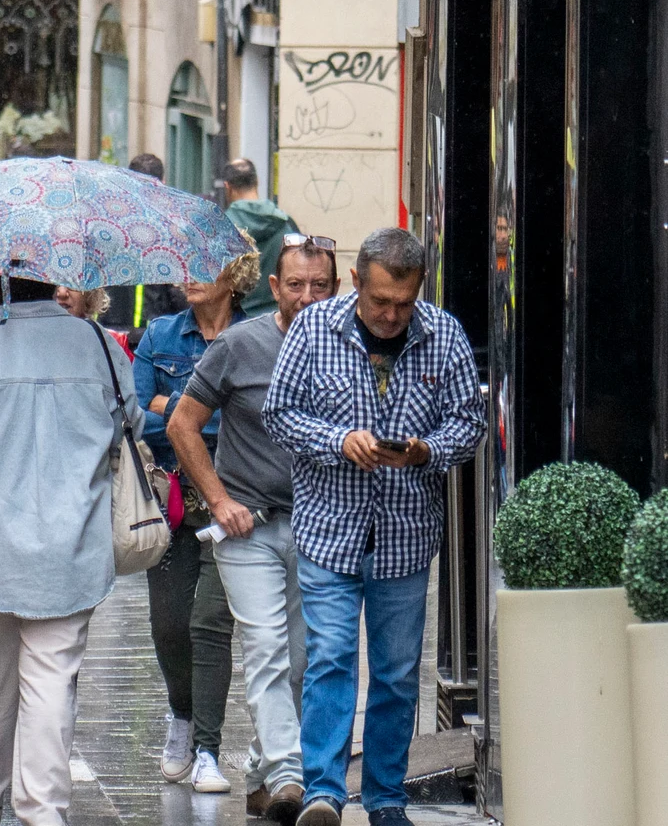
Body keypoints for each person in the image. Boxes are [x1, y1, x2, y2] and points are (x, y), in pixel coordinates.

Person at [263, 228, 485, 826]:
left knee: (394, 672)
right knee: (332, 658)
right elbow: (279, 414)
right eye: (380, 301)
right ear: (357, 281)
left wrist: (423, 450)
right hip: (328, 531)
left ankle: (387, 798)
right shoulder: (313, 329)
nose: (390, 315)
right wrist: (339, 441)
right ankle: (325, 793)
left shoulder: (445, 336)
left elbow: (469, 424)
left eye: (404, 303)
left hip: (406, 534)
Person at [0, 273, 139, 826]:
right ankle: (43, 812)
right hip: (73, 543)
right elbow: (127, 427)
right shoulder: (101, 348)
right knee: (53, 680)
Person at [166, 235, 341, 826]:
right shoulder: (242, 344)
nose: (308, 296)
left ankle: (265, 776)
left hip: (320, 526)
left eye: (320, 285)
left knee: (300, 660)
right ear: (274, 289)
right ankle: (292, 777)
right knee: (265, 648)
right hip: (249, 528)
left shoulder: (349, 348)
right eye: (295, 285)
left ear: (336, 288)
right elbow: (182, 423)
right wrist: (218, 500)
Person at [132, 252, 260, 793]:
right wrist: (201, 410)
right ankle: (180, 717)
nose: (187, 276)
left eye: (202, 267)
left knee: (210, 623)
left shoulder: (254, 337)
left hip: (233, 495)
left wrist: (180, 405)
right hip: (171, 496)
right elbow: (139, 410)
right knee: (168, 623)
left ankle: (207, 748)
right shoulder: (161, 334)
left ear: (235, 278)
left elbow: (254, 416)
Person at [102, 153, 191, 336]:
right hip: (154, 333)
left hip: (108, 331)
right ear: (162, 182)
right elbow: (179, 294)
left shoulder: (106, 224)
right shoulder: (172, 229)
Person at [222, 158, 302, 318]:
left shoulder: (220, 228)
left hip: (237, 321)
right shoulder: (286, 223)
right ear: (257, 181)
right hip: (279, 320)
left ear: (227, 186)